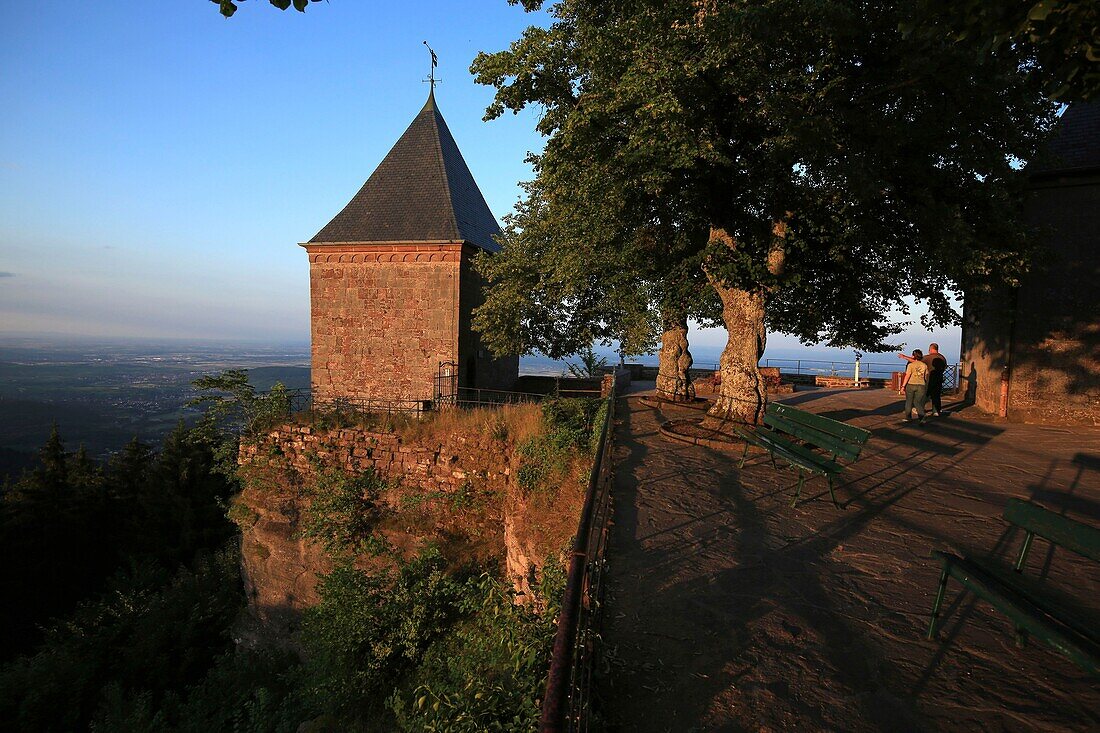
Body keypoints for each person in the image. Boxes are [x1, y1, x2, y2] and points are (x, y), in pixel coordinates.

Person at [898, 343, 948, 416]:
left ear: (931, 349)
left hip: (929, 379)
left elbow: (916, 361)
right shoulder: (943, 358)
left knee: (925, 394)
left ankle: (919, 409)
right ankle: (936, 411)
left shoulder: (928, 357)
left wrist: (904, 357)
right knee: (936, 395)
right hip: (939, 378)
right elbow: (944, 367)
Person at [899, 348, 929, 423]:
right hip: (921, 385)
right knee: (917, 402)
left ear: (913, 356)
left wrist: (903, 387)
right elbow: (926, 375)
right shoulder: (924, 365)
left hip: (911, 384)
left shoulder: (911, 365)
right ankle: (922, 417)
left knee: (909, 401)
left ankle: (908, 418)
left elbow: (907, 376)